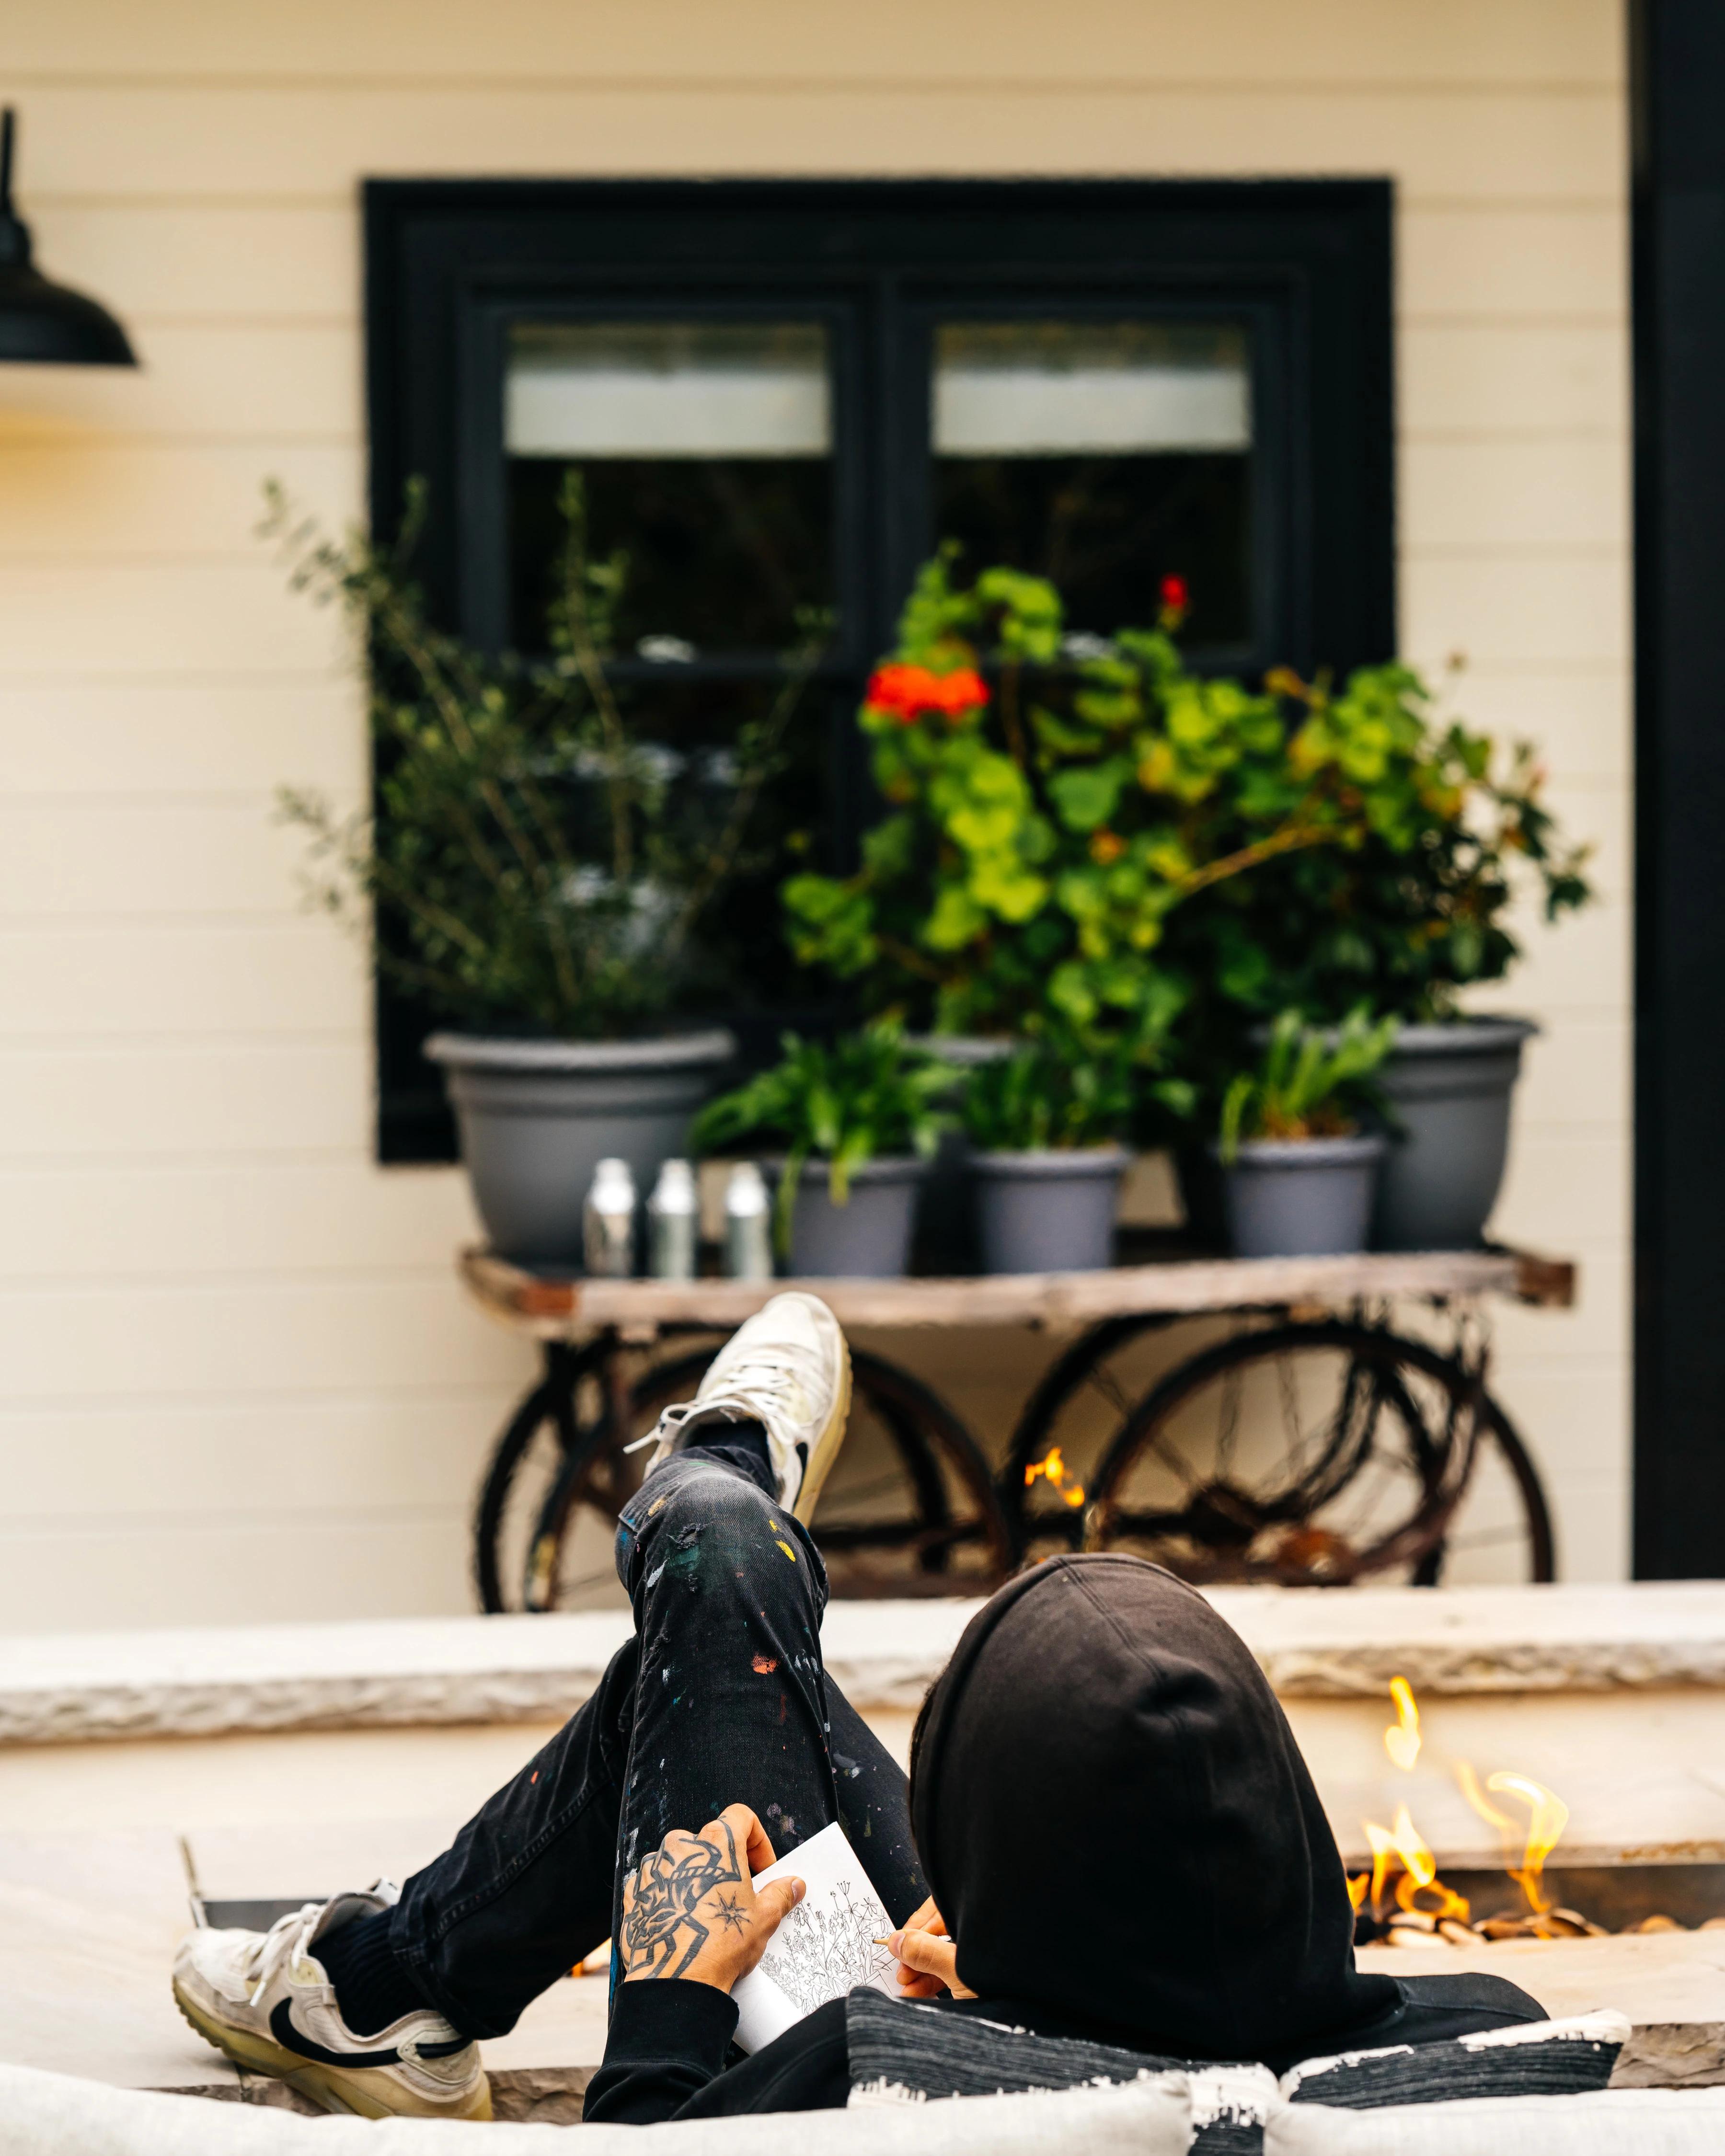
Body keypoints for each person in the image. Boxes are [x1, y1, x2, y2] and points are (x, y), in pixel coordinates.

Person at [172, 1292, 1545, 2123]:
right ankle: (383, 1985)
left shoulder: (860, 2069)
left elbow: (662, 2135)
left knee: (714, 1605)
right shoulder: (1500, 2033)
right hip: (1112, 2013)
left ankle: (720, 1477)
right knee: (725, 1633)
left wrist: (666, 2004)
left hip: (980, 2052)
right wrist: (1040, 1970)